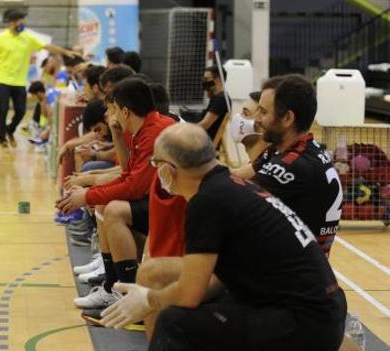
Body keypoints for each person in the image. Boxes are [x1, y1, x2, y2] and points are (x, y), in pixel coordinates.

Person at [101, 123, 347, 351]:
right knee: (161, 277)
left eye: (156, 164)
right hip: (322, 309)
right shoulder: (232, 185)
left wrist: (148, 300)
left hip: (303, 321)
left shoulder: (207, 202)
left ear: (168, 169)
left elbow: (189, 294)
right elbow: (217, 278)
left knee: (173, 321)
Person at [58, 78, 176, 310]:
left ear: (124, 110)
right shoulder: (141, 130)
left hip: (174, 206)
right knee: (105, 204)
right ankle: (112, 287)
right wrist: (93, 193)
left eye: (112, 110)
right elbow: (127, 173)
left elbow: (133, 186)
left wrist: (88, 195)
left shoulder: (154, 133)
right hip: (159, 198)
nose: (110, 116)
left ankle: (128, 292)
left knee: (113, 210)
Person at [234, 74, 341, 256]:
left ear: (288, 119)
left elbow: (229, 196)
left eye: (263, 112)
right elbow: (236, 175)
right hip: (300, 266)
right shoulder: (300, 149)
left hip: (289, 277)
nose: (257, 120)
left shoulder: (292, 165)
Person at [0, 8, 75, 148]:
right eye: (17, 21)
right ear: (10, 22)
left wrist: (65, 52)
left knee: (21, 111)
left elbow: (47, 46)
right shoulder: (0, 39)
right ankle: (2, 138)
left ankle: (10, 129)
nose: (20, 23)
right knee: (3, 109)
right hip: (3, 80)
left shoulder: (28, 38)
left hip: (20, 82)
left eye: (22, 20)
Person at [198, 65, 229, 141]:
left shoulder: (220, 100)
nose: (205, 82)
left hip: (205, 141)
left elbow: (205, 125)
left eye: (207, 79)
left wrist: (184, 128)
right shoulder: (218, 97)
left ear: (218, 79)